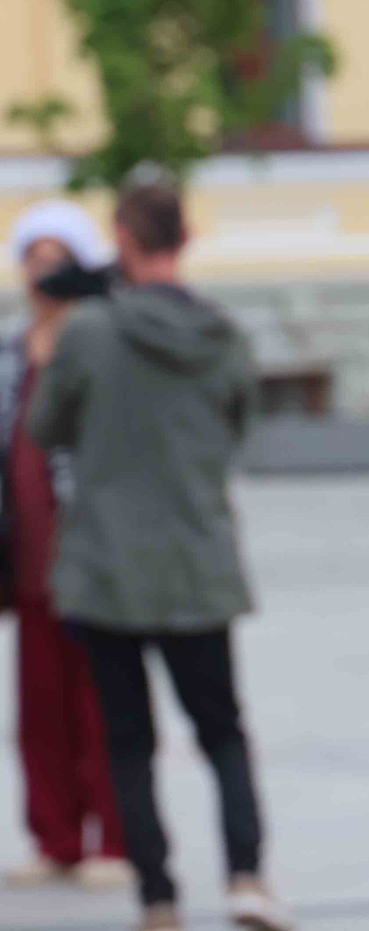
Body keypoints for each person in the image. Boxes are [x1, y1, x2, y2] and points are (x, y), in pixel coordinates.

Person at [27, 184, 292, 931]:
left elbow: (46, 429)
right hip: (198, 562)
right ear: (186, 238)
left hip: (106, 567)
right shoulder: (222, 334)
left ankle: (158, 899)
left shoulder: (87, 331)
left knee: (130, 740)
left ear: (122, 236)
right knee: (223, 730)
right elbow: (239, 429)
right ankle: (245, 877)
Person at [0, 201, 130, 892]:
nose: (40, 270)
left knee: (100, 704)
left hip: (94, 559)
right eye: (31, 256)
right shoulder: (11, 350)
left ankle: (111, 836)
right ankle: (53, 836)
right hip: (27, 560)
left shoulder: (102, 340)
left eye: (54, 257)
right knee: (39, 708)